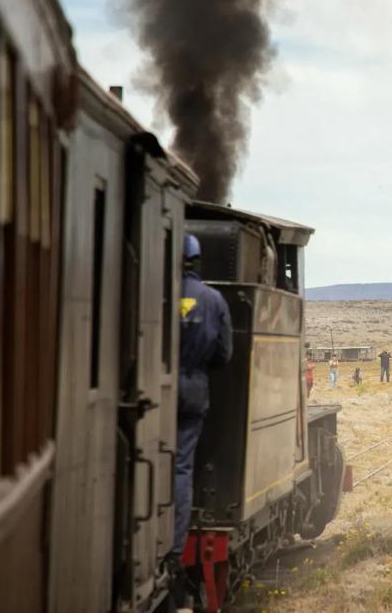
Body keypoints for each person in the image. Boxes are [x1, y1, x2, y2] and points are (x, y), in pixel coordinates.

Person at [171, 233, 232, 599]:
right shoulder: (213, 300)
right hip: (193, 390)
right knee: (180, 468)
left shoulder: (152, 289)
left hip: (151, 385)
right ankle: (174, 551)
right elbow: (223, 354)